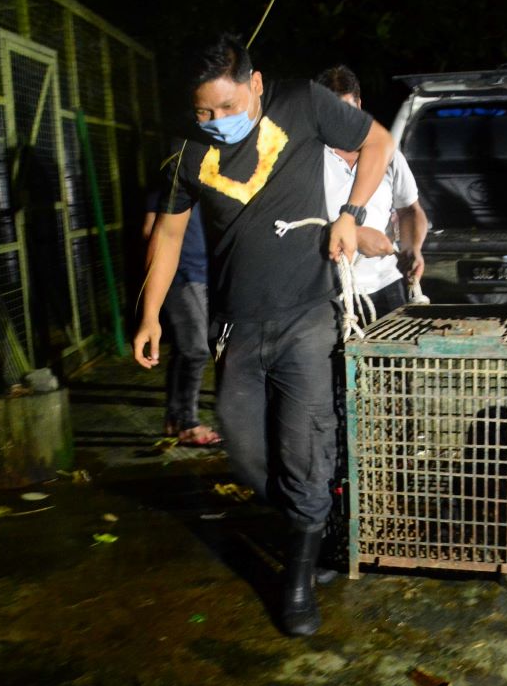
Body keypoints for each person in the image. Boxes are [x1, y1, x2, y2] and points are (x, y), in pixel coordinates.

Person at [134, 32, 394, 637]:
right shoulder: (184, 151)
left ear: (254, 84)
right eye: (204, 111)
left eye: (226, 107)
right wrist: (149, 316)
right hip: (238, 325)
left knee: (303, 445)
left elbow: (377, 141)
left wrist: (351, 216)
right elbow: (168, 237)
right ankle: (316, 520)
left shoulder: (301, 102)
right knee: (248, 452)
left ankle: (298, 579)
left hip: (308, 314)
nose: (215, 121)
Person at [316, 65, 428, 322]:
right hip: (326, 293)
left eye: (348, 111)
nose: (342, 122)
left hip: (385, 285)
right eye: (333, 113)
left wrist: (412, 249)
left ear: (359, 106)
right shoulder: (309, 158)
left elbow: (410, 209)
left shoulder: (386, 154)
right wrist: (352, 234)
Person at [141, 193, 221, 446]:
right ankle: (188, 423)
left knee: (185, 349)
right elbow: (149, 230)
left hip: (206, 273)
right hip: (183, 274)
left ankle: (175, 419)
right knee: (196, 350)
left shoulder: (211, 179)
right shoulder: (172, 179)